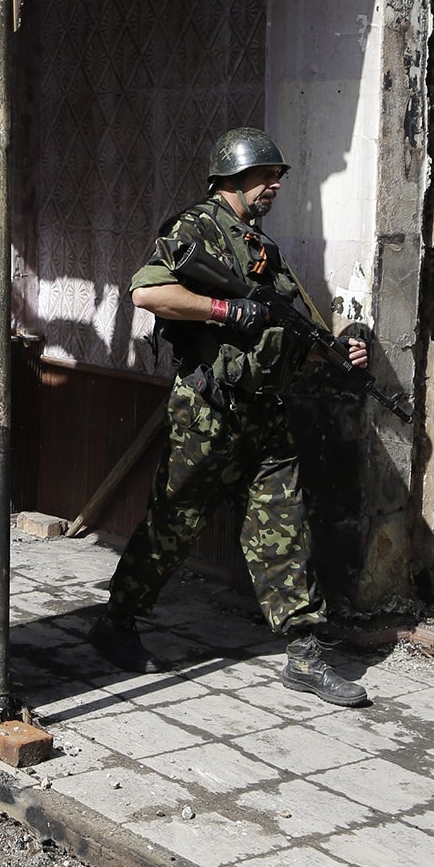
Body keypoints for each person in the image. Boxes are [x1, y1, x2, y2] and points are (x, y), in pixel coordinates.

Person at [86, 126, 371, 708]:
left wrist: (336, 348)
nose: (274, 186)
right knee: (174, 526)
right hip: (210, 413)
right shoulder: (196, 229)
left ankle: (303, 649)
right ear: (232, 180)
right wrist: (225, 309)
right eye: (264, 177)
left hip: (267, 413)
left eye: (276, 177)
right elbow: (147, 294)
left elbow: (285, 326)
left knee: (284, 528)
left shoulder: (264, 249)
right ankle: (117, 621)